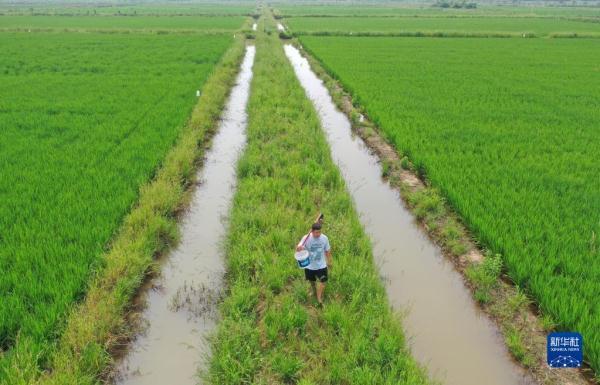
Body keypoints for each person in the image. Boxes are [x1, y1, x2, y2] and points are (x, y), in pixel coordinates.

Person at [296, 222, 332, 307]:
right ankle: (313, 290)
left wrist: (329, 261)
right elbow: (298, 249)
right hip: (310, 265)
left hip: (321, 265)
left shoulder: (324, 238)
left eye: (320, 232)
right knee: (311, 280)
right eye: (316, 232)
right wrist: (299, 248)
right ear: (312, 231)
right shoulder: (306, 238)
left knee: (323, 281)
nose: (318, 234)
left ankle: (319, 298)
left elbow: (327, 250)